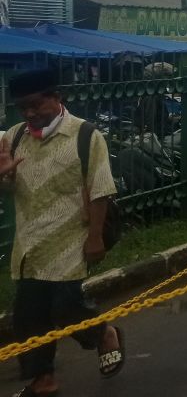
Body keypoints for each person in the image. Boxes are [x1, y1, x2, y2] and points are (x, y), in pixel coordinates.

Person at [0, 69, 125, 397]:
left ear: (56, 98)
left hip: (71, 239)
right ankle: (43, 380)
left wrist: (96, 236)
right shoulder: (13, 137)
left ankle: (103, 335)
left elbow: (100, 190)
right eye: (21, 107)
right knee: (28, 318)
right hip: (29, 245)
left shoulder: (85, 135)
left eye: (35, 105)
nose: (29, 113)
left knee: (66, 306)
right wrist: (4, 178)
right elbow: (7, 188)